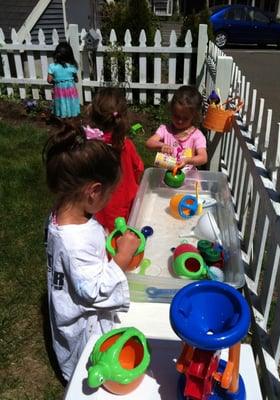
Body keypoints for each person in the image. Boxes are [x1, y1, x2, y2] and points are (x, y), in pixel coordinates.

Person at [43, 123, 141, 382]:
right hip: (83, 322)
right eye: (109, 194)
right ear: (94, 191)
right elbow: (92, 292)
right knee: (89, 359)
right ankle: (79, 378)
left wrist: (103, 237)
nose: (109, 200)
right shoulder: (75, 242)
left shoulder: (60, 216)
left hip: (70, 301)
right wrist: (122, 257)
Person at [88, 87, 144, 234]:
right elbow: (139, 167)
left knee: (105, 235)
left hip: (100, 202)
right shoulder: (125, 145)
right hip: (126, 198)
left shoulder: (92, 146)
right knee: (124, 234)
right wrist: (132, 181)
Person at [146, 85, 208, 170]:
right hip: (166, 176)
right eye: (176, 116)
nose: (180, 121)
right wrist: (161, 145)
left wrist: (188, 160)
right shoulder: (165, 130)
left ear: (194, 116)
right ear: (172, 110)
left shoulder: (197, 136)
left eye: (185, 118)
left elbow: (203, 157)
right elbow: (149, 143)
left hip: (187, 178)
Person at [47, 42, 80, 119]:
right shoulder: (72, 67)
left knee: (61, 103)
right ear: (70, 55)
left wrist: (57, 80)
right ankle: (70, 121)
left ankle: (63, 121)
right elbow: (76, 80)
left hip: (59, 90)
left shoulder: (52, 66)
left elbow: (49, 80)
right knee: (71, 103)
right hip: (70, 90)